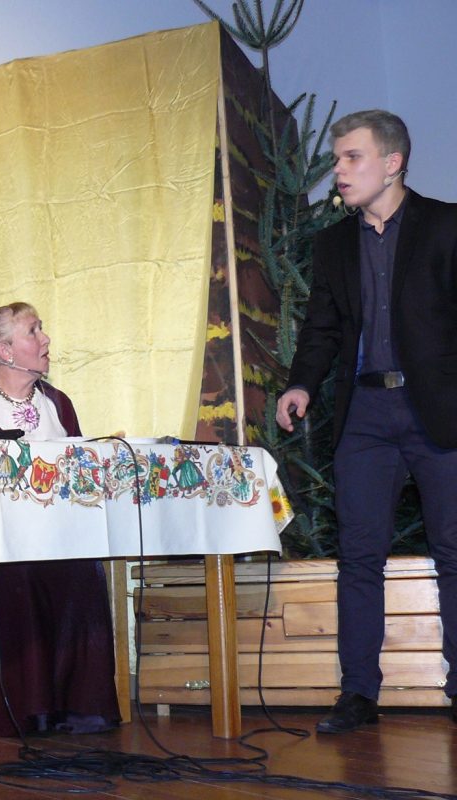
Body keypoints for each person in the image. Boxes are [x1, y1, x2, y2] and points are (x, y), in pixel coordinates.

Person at [276, 110, 457, 733]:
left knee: (454, 551)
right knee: (358, 556)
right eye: (337, 159)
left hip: (440, 412)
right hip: (367, 417)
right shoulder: (333, 245)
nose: (340, 170)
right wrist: (301, 384)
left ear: (393, 163)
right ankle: (358, 693)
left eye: (353, 157)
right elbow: (322, 328)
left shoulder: (446, 226)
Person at [0, 301, 120, 736]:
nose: (45, 338)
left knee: (84, 568)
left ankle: (80, 707)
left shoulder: (58, 403)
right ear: (5, 350)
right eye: (33, 331)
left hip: (56, 539)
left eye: (41, 329)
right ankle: (30, 708)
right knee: (21, 571)